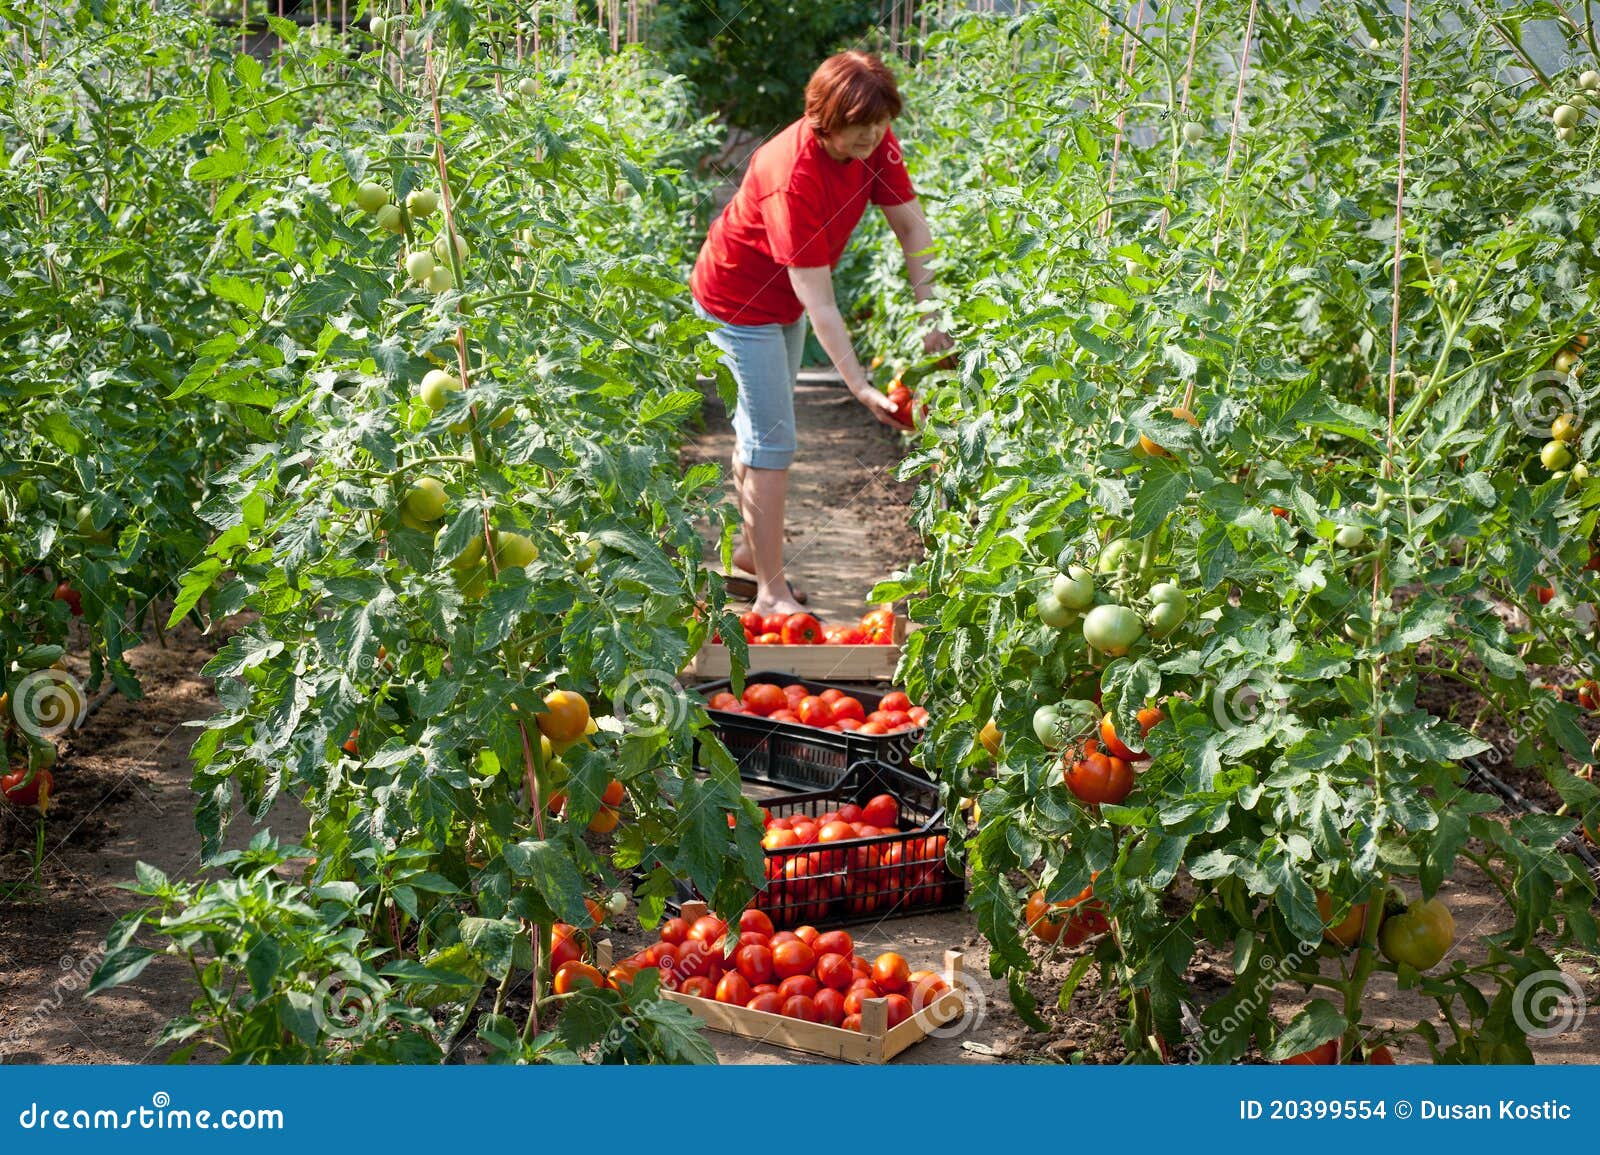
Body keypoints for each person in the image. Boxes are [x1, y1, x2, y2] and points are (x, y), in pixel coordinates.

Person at [690, 50, 951, 618]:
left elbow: (912, 226)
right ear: (823, 118)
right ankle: (770, 594)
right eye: (862, 128)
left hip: (782, 299)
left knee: (760, 432)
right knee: (772, 442)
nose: (875, 139)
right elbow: (822, 303)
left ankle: (751, 554)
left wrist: (935, 318)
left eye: (882, 125)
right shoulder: (792, 176)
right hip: (740, 300)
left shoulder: (874, 140)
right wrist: (858, 387)